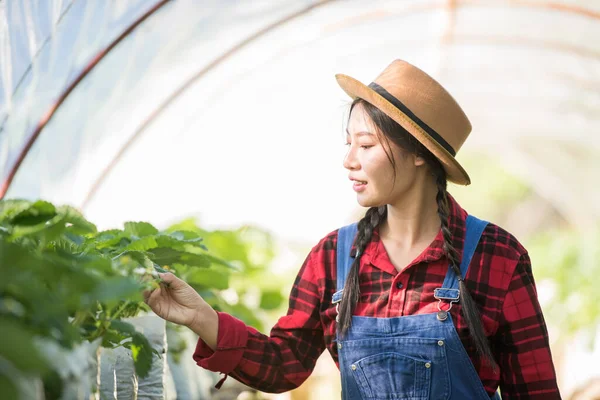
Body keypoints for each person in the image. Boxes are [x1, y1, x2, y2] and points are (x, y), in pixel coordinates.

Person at [145, 60, 561, 399]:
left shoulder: (497, 257)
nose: (348, 160)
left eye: (365, 145)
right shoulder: (333, 258)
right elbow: (283, 364)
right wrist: (202, 318)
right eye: (348, 143)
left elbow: (536, 391)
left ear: (418, 152)